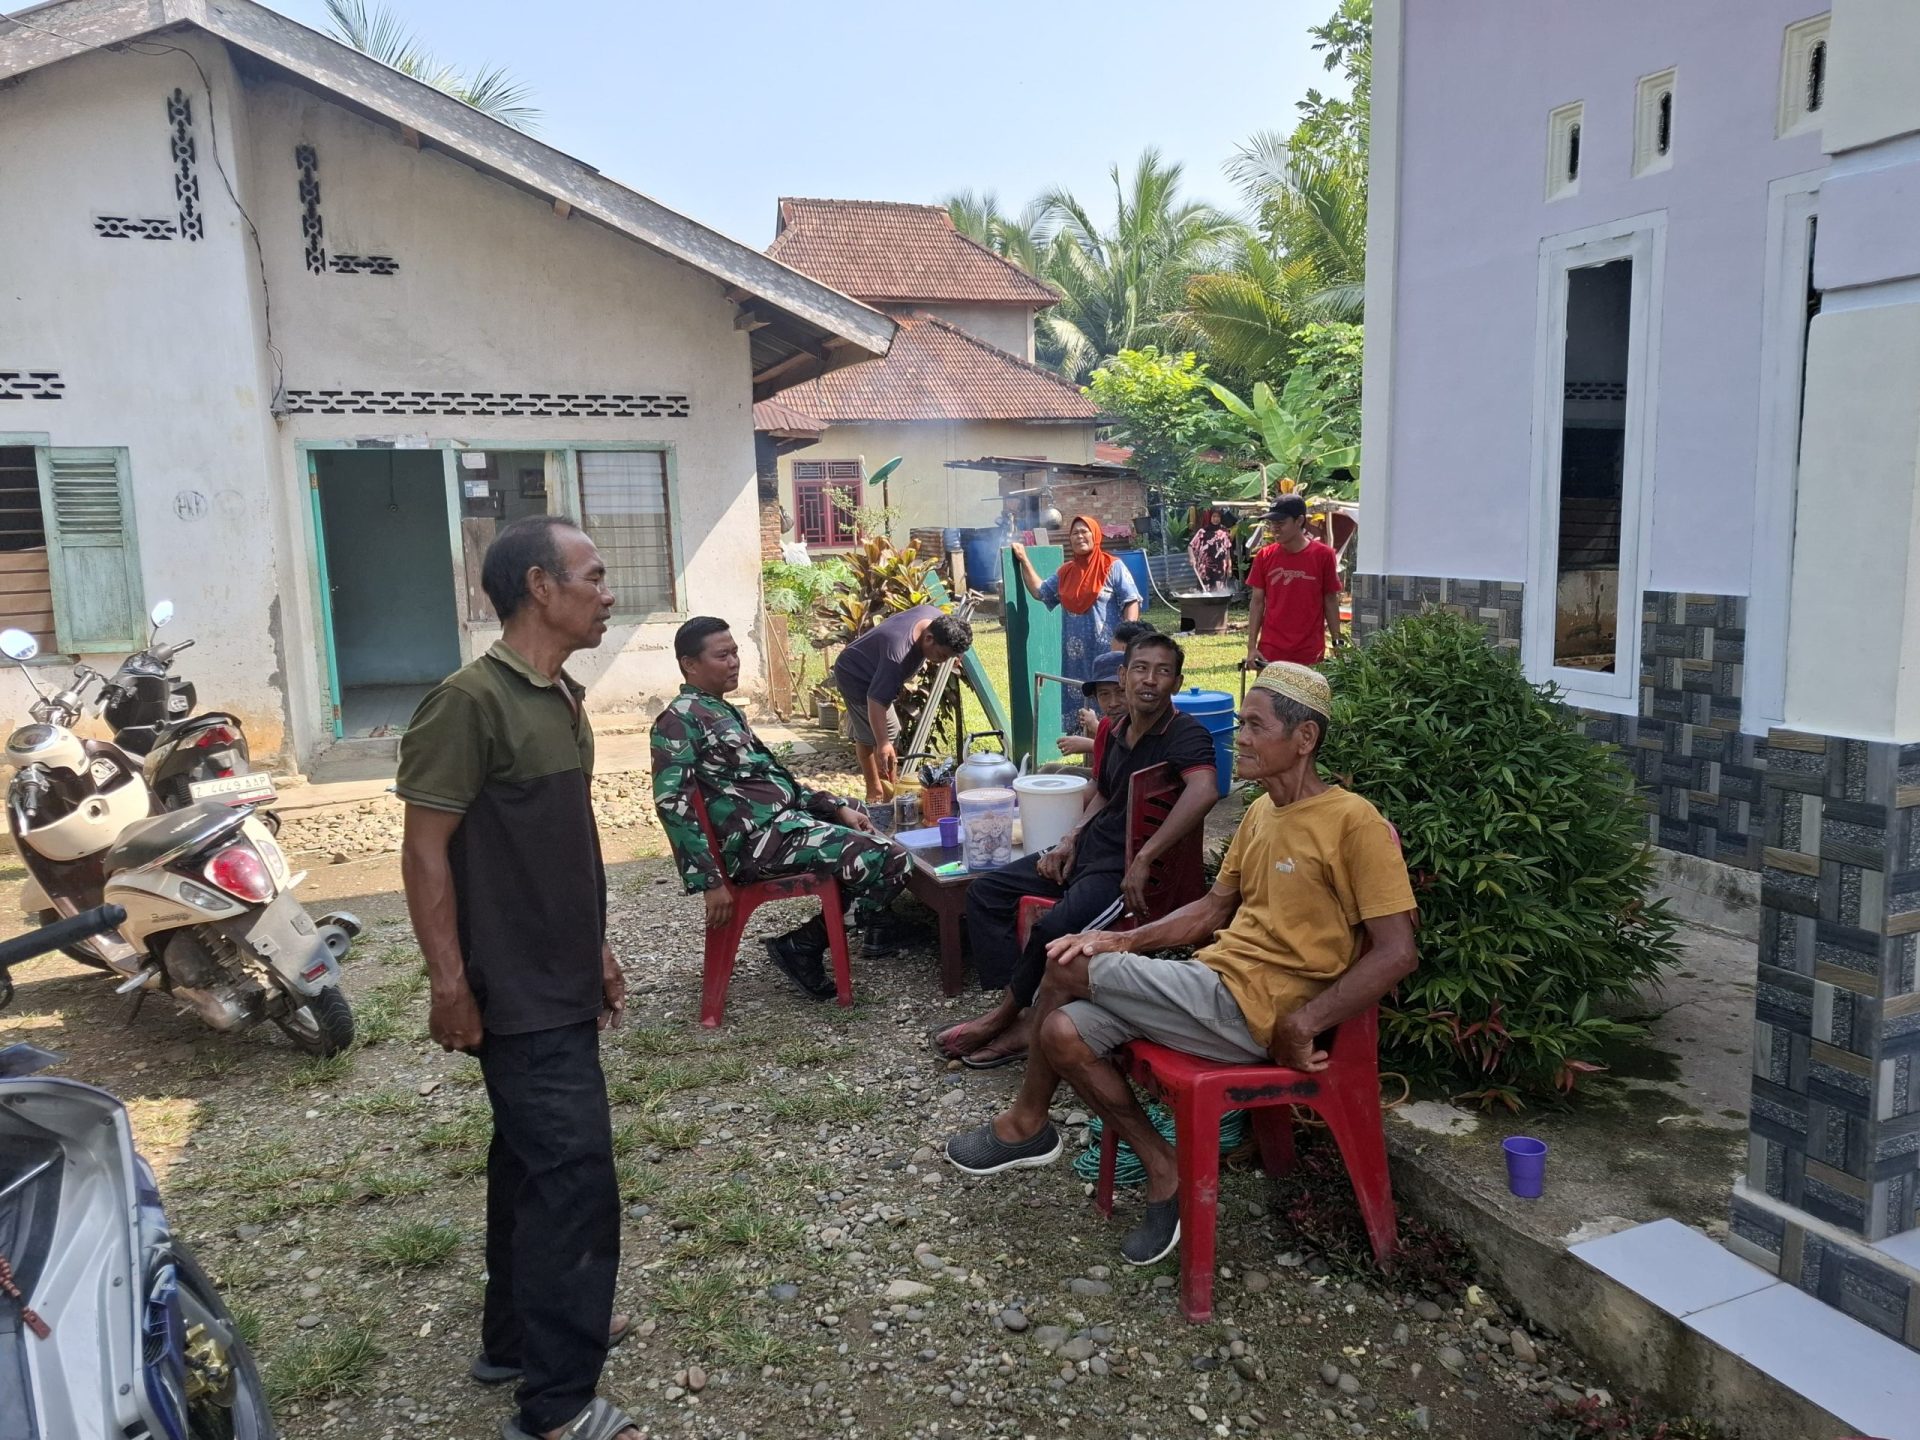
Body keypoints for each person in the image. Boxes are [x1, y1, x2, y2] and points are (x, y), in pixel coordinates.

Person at [944, 662, 1418, 1268]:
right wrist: (1123, 942)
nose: (1240, 737)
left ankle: (1027, 1123)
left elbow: (1397, 951)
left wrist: (1306, 1021)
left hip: (1257, 1010)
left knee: (1065, 964)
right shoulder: (1261, 813)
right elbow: (1211, 911)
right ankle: (1163, 1168)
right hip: (1212, 986)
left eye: (1255, 725)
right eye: (1241, 723)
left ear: (1305, 738)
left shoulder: (1354, 823)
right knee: (1062, 1032)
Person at [396, 515, 644, 1440]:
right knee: (574, 1181)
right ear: (540, 587)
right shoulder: (468, 703)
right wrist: (448, 985)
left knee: (528, 1168)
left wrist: (598, 948)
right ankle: (557, 1405)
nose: (607, 594)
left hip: (561, 974)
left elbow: (565, 844)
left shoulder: (562, 695)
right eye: (593, 575)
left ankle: (516, 1340)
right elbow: (424, 853)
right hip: (517, 989)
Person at [935, 634, 1218, 1069]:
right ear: (1124, 676)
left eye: (1163, 672)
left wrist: (1145, 857)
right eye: (1140, 668)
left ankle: (1008, 1022)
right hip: (1089, 848)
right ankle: (1019, 1006)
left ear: (1176, 683)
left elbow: (1204, 790)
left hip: (1124, 869)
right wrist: (1070, 838)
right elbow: (1104, 791)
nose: (1150, 680)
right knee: (987, 892)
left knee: (1054, 929)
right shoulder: (1115, 729)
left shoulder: (1185, 733)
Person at [652, 617, 913, 992]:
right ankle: (807, 944)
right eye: (722, 656)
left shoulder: (719, 710)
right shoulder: (679, 720)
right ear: (689, 664)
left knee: (867, 813)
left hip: (780, 826)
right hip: (757, 844)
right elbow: (672, 803)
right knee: (892, 859)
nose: (734, 662)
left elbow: (774, 785)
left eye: (735, 652)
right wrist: (709, 882)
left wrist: (837, 807)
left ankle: (863, 923)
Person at [1007, 516, 1143, 731]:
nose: (1079, 536)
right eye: (1075, 533)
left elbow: (1131, 601)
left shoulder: (1112, 566)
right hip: (1075, 659)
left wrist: (1128, 639)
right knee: (1081, 703)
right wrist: (1024, 560)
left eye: (1084, 531)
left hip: (1108, 653)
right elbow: (1040, 592)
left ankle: (1112, 746)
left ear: (1095, 535)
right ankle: (1087, 748)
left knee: (1112, 700)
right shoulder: (1065, 572)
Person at [832, 605, 974, 803]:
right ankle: (881, 796)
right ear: (929, 638)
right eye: (943, 655)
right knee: (884, 735)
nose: (944, 661)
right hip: (856, 676)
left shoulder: (935, 620)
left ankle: (883, 791)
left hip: (867, 664)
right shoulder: (898, 656)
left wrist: (956, 655)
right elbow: (875, 700)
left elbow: (951, 635)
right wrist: (883, 742)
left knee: (873, 734)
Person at [1244, 495, 1343, 670]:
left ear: (1299, 521)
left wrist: (1338, 643)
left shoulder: (1323, 555)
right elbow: (1257, 602)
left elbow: (1330, 600)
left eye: (1280, 523)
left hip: (1309, 652)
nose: (1274, 528)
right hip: (1270, 651)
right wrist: (1251, 647)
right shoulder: (1264, 556)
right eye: (1272, 523)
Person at [1056, 650, 1128, 761]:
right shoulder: (1105, 724)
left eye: (1121, 691)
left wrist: (1090, 745)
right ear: (1095, 696)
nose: (1113, 703)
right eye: (1104, 694)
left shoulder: (1143, 727)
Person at [1188, 507, 1235, 593]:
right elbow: (1191, 546)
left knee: (1219, 591)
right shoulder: (1203, 532)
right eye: (1214, 516)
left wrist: (1230, 567)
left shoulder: (1224, 533)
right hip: (1205, 568)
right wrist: (1192, 558)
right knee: (1204, 591)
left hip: (1220, 568)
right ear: (1210, 517)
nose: (1216, 519)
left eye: (1218, 517)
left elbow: (1227, 550)